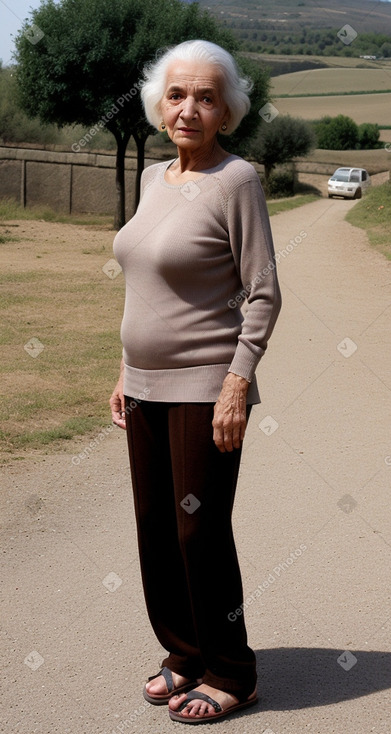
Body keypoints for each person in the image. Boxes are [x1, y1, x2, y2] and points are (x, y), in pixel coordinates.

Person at [109, 39, 281, 724]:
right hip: (144, 384)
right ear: (159, 102)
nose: (189, 109)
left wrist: (236, 383)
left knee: (196, 532)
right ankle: (183, 653)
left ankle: (232, 671)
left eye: (206, 97)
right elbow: (144, 287)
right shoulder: (154, 179)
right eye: (177, 94)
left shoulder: (237, 181)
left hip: (205, 385)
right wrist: (124, 370)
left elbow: (262, 294)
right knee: (154, 526)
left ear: (226, 109)